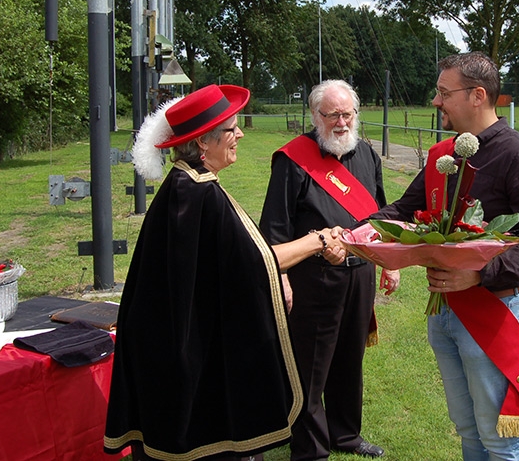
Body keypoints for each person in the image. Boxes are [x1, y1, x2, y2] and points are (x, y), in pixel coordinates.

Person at [105, 84, 349, 461]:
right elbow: (259, 262)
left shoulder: (185, 185)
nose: (240, 134)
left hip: (172, 342)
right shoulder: (200, 192)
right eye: (232, 129)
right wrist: (320, 238)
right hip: (189, 351)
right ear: (204, 142)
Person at [370, 52, 519, 461]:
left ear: (478, 95)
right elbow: (405, 210)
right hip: (443, 311)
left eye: (444, 93)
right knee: (468, 428)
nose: (436, 102)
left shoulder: (518, 155)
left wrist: (479, 275)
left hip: (492, 307)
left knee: (498, 438)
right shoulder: (446, 152)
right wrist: (357, 231)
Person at [259, 79, 400, 461]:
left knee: (350, 359)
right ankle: (310, 448)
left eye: (347, 113)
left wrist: (391, 263)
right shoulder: (292, 160)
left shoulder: (367, 155)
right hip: (313, 278)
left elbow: (382, 217)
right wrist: (283, 280)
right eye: (332, 114)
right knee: (312, 367)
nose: (341, 122)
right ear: (315, 116)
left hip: (360, 275)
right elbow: (274, 229)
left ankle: (346, 436)